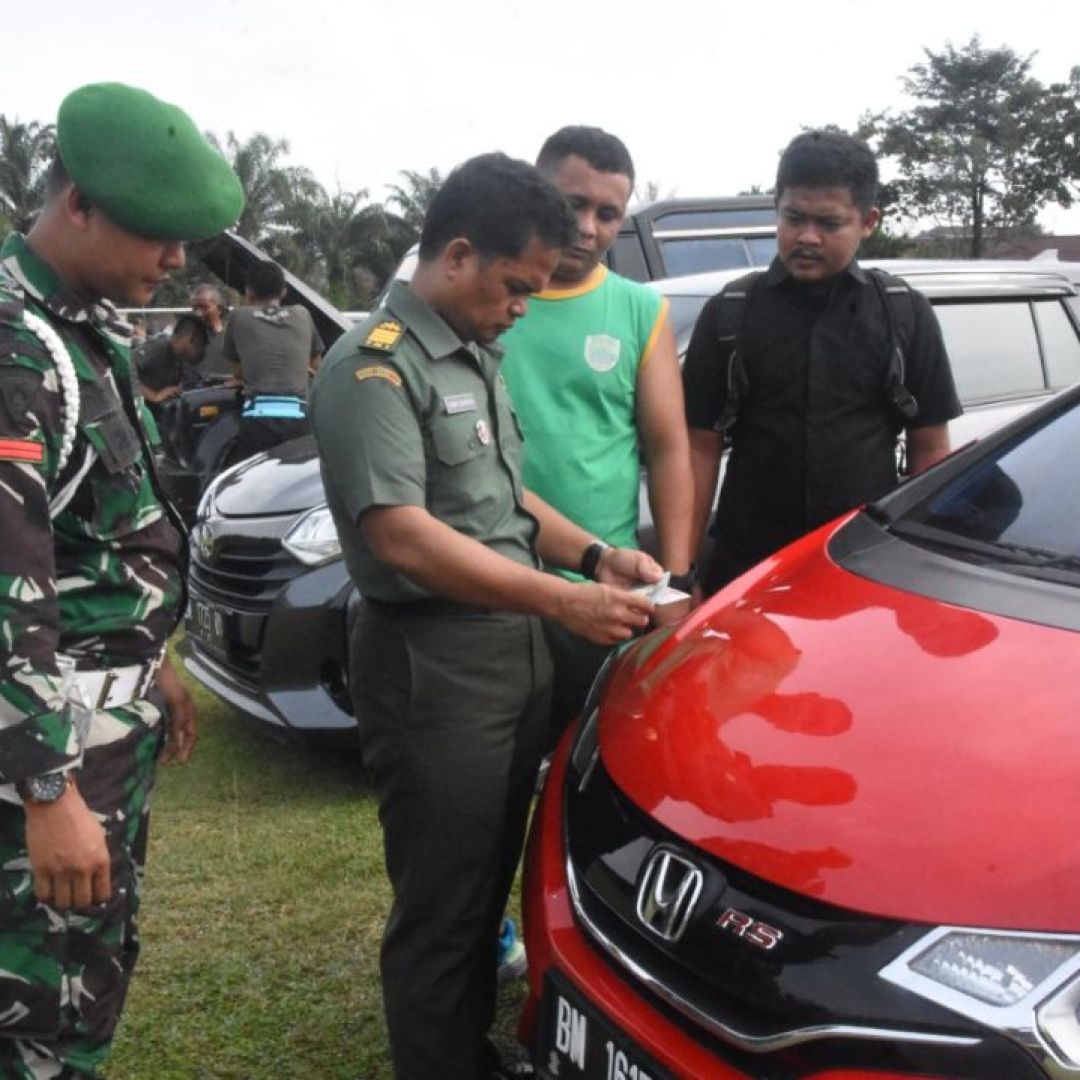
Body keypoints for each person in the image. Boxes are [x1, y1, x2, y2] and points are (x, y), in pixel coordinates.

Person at [310, 152, 662, 1080]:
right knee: (443, 902)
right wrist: (566, 599)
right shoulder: (375, 367)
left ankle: (463, 1050)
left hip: (511, 655)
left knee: (491, 872)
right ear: (458, 254)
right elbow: (404, 537)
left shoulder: (474, 350)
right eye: (516, 287)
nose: (522, 307)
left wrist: (596, 555)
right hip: (435, 668)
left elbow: (506, 504)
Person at [0, 81, 242, 1077]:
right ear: (78, 206)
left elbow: (97, 541)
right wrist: (44, 789)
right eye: (157, 233)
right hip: (42, 763)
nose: (176, 259)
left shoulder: (76, 330)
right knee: (36, 1020)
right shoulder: (15, 349)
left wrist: (155, 663)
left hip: (101, 732)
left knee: (89, 987)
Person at [683, 130, 962, 595]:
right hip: (748, 565)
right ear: (777, 207)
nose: (806, 237)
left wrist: (927, 573)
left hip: (867, 566)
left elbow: (930, 447)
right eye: (794, 218)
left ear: (868, 221)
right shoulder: (730, 313)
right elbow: (698, 448)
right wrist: (683, 572)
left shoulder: (904, 313)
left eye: (829, 224)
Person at [501, 125, 695, 745]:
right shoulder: (487, 299)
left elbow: (668, 450)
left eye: (608, 213)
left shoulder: (641, 311)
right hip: (489, 578)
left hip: (598, 591)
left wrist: (677, 578)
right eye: (573, 204)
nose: (588, 227)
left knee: (586, 758)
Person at [225, 258, 324, 459]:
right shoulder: (303, 314)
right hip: (300, 420)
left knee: (255, 485)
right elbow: (316, 366)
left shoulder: (239, 317)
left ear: (248, 292)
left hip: (258, 421)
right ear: (283, 292)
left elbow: (239, 371)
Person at [135, 312, 209, 421]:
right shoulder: (157, 348)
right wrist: (153, 395)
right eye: (199, 345)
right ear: (190, 338)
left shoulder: (179, 359)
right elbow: (124, 368)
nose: (201, 352)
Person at [190, 282, 231, 376]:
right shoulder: (189, 339)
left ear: (219, 308)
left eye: (204, 308)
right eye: (194, 308)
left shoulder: (234, 333)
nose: (198, 314)